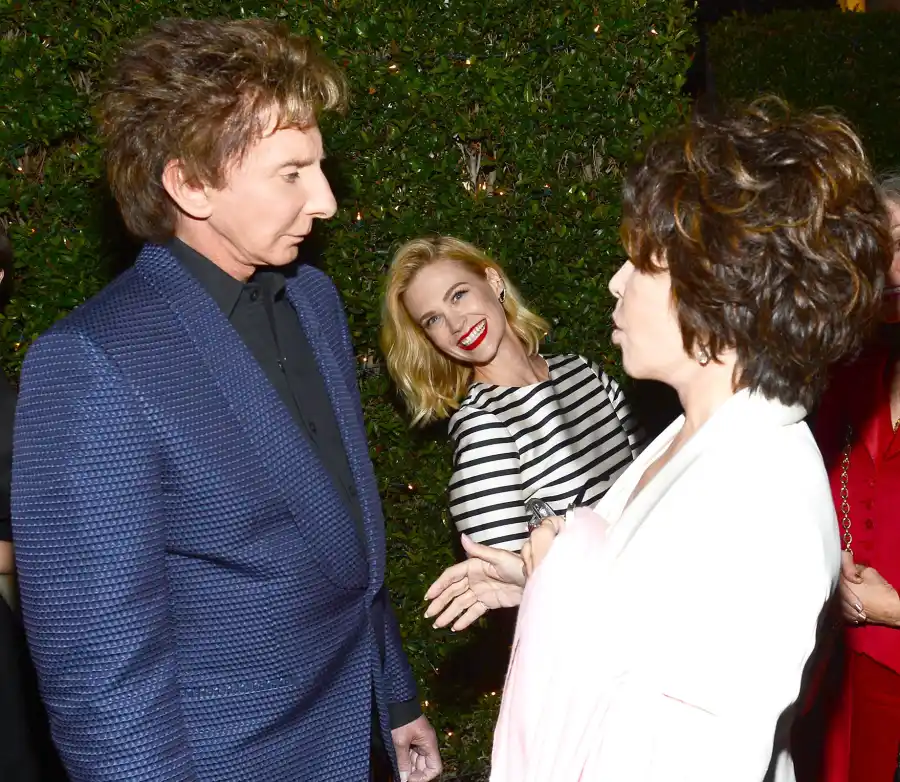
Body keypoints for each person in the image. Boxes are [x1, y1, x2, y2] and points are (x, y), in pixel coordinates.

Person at [11, 19, 439, 782]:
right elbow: (100, 685)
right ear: (190, 184)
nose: (328, 201)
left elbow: (347, 544)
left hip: (359, 739)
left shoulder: (313, 300)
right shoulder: (91, 365)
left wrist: (396, 697)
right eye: (291, 173)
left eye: (321, 166)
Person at [426, 98, 890, 781]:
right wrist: (544, 582)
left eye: (642, 265)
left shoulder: (762, 494)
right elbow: (663, 620)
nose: (615, 283)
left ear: (722, 295)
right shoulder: (697, 431)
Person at [381, 236, 642, 629]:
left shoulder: (581, 371)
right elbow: (523, 593)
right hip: (598, 634)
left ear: (493, 281)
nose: (454, 324)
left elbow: (656, 484)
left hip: (659, 587)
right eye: (432, 319)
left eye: (458, 295)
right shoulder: (481, 425)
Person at [810, 173, 900, 782]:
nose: (890, 264)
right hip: (845, 667)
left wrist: (894, 610)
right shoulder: (848, 372)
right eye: (873, 247)